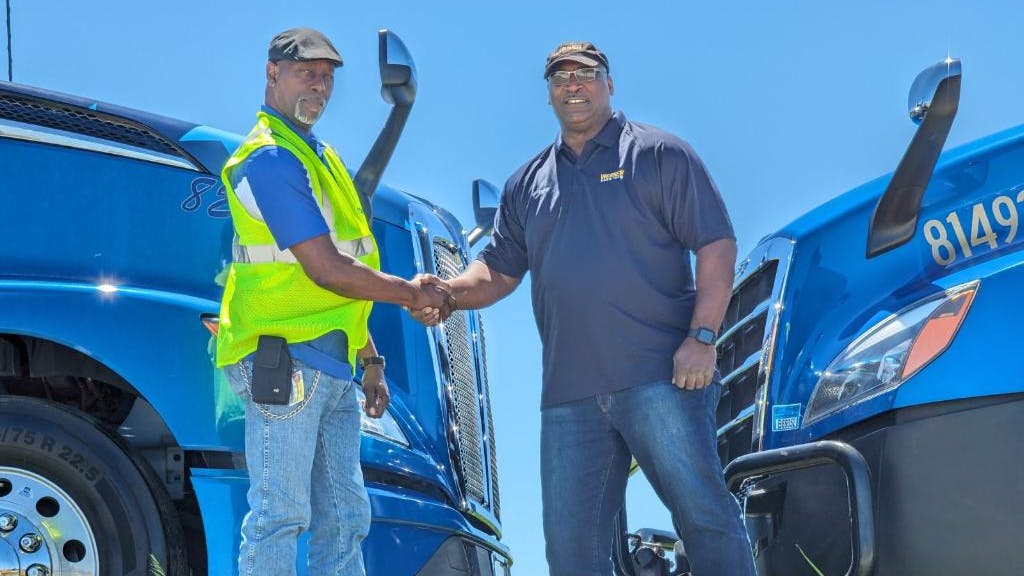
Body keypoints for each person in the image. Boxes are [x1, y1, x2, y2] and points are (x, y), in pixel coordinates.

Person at [413, 41, 757, 576]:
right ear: (549, 94)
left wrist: (704, 337)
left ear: (609, 83)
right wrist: (447, 292)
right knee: (571, 553)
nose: (572, 85)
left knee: (705, 519)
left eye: (586, 73)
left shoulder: (660, 154)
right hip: (568, 398)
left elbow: (716, 243)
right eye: (560, 77)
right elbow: (498, 270)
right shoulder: (527, 183)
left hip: (663, 377)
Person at [216, 27, 451, 576]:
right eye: (306, 73)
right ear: (272, 73)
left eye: (326, 77)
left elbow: (346, 271)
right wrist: (411, 293)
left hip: (333, 365)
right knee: (280, 513)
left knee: (345, 518)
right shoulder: (271, 159)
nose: (319, 86)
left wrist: (370, 360)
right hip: (284, 357)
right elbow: (326, 268)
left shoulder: (320, 159)